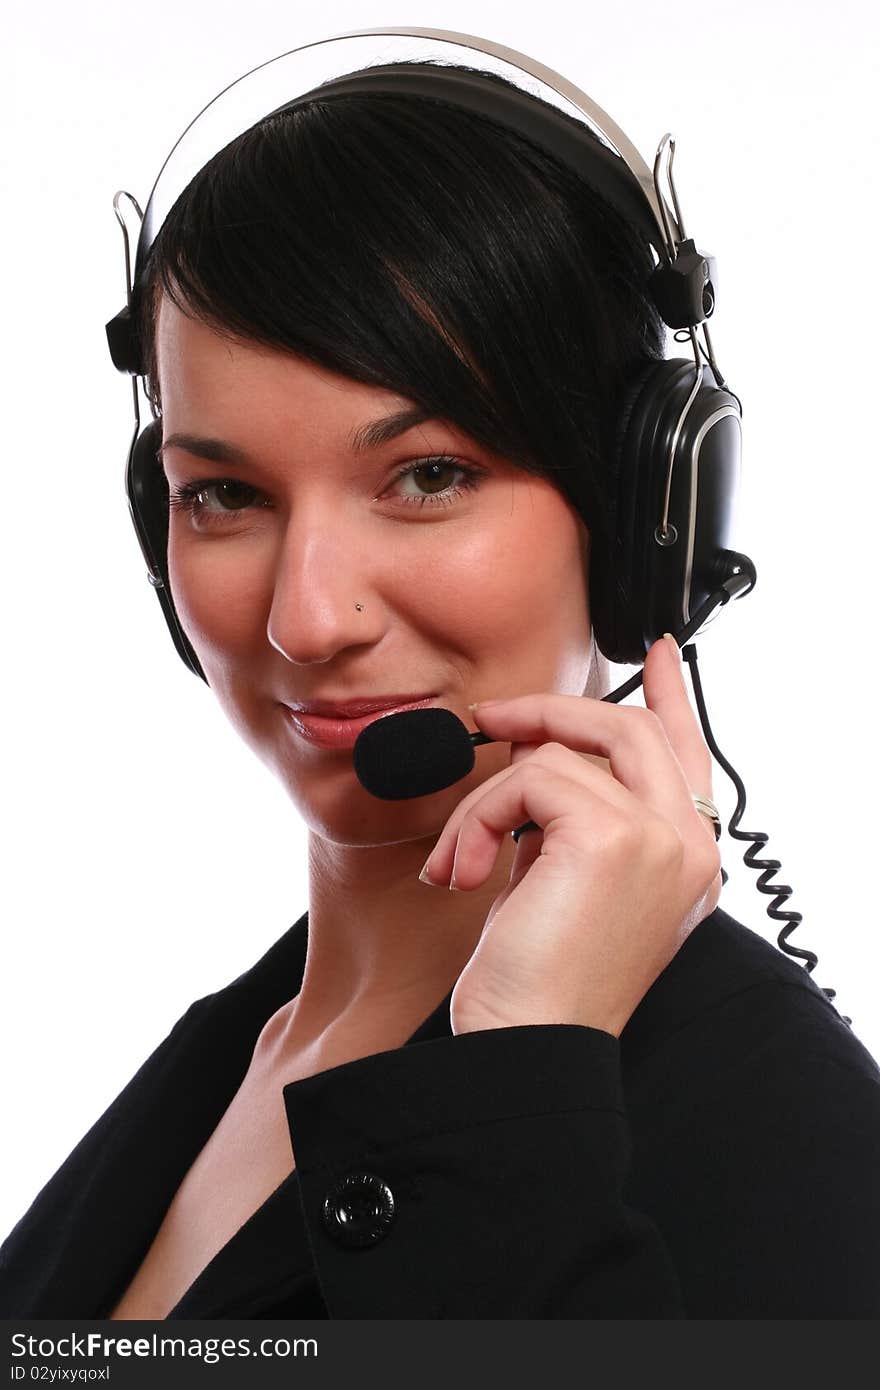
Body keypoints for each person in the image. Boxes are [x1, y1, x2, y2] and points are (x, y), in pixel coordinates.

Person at [1, 57, 879, 1321]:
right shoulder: (228, 1055)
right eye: (226, 495)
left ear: (641, 518)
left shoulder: (772, 1112)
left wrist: (522, 1069)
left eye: (426, 477)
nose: (306, 617)